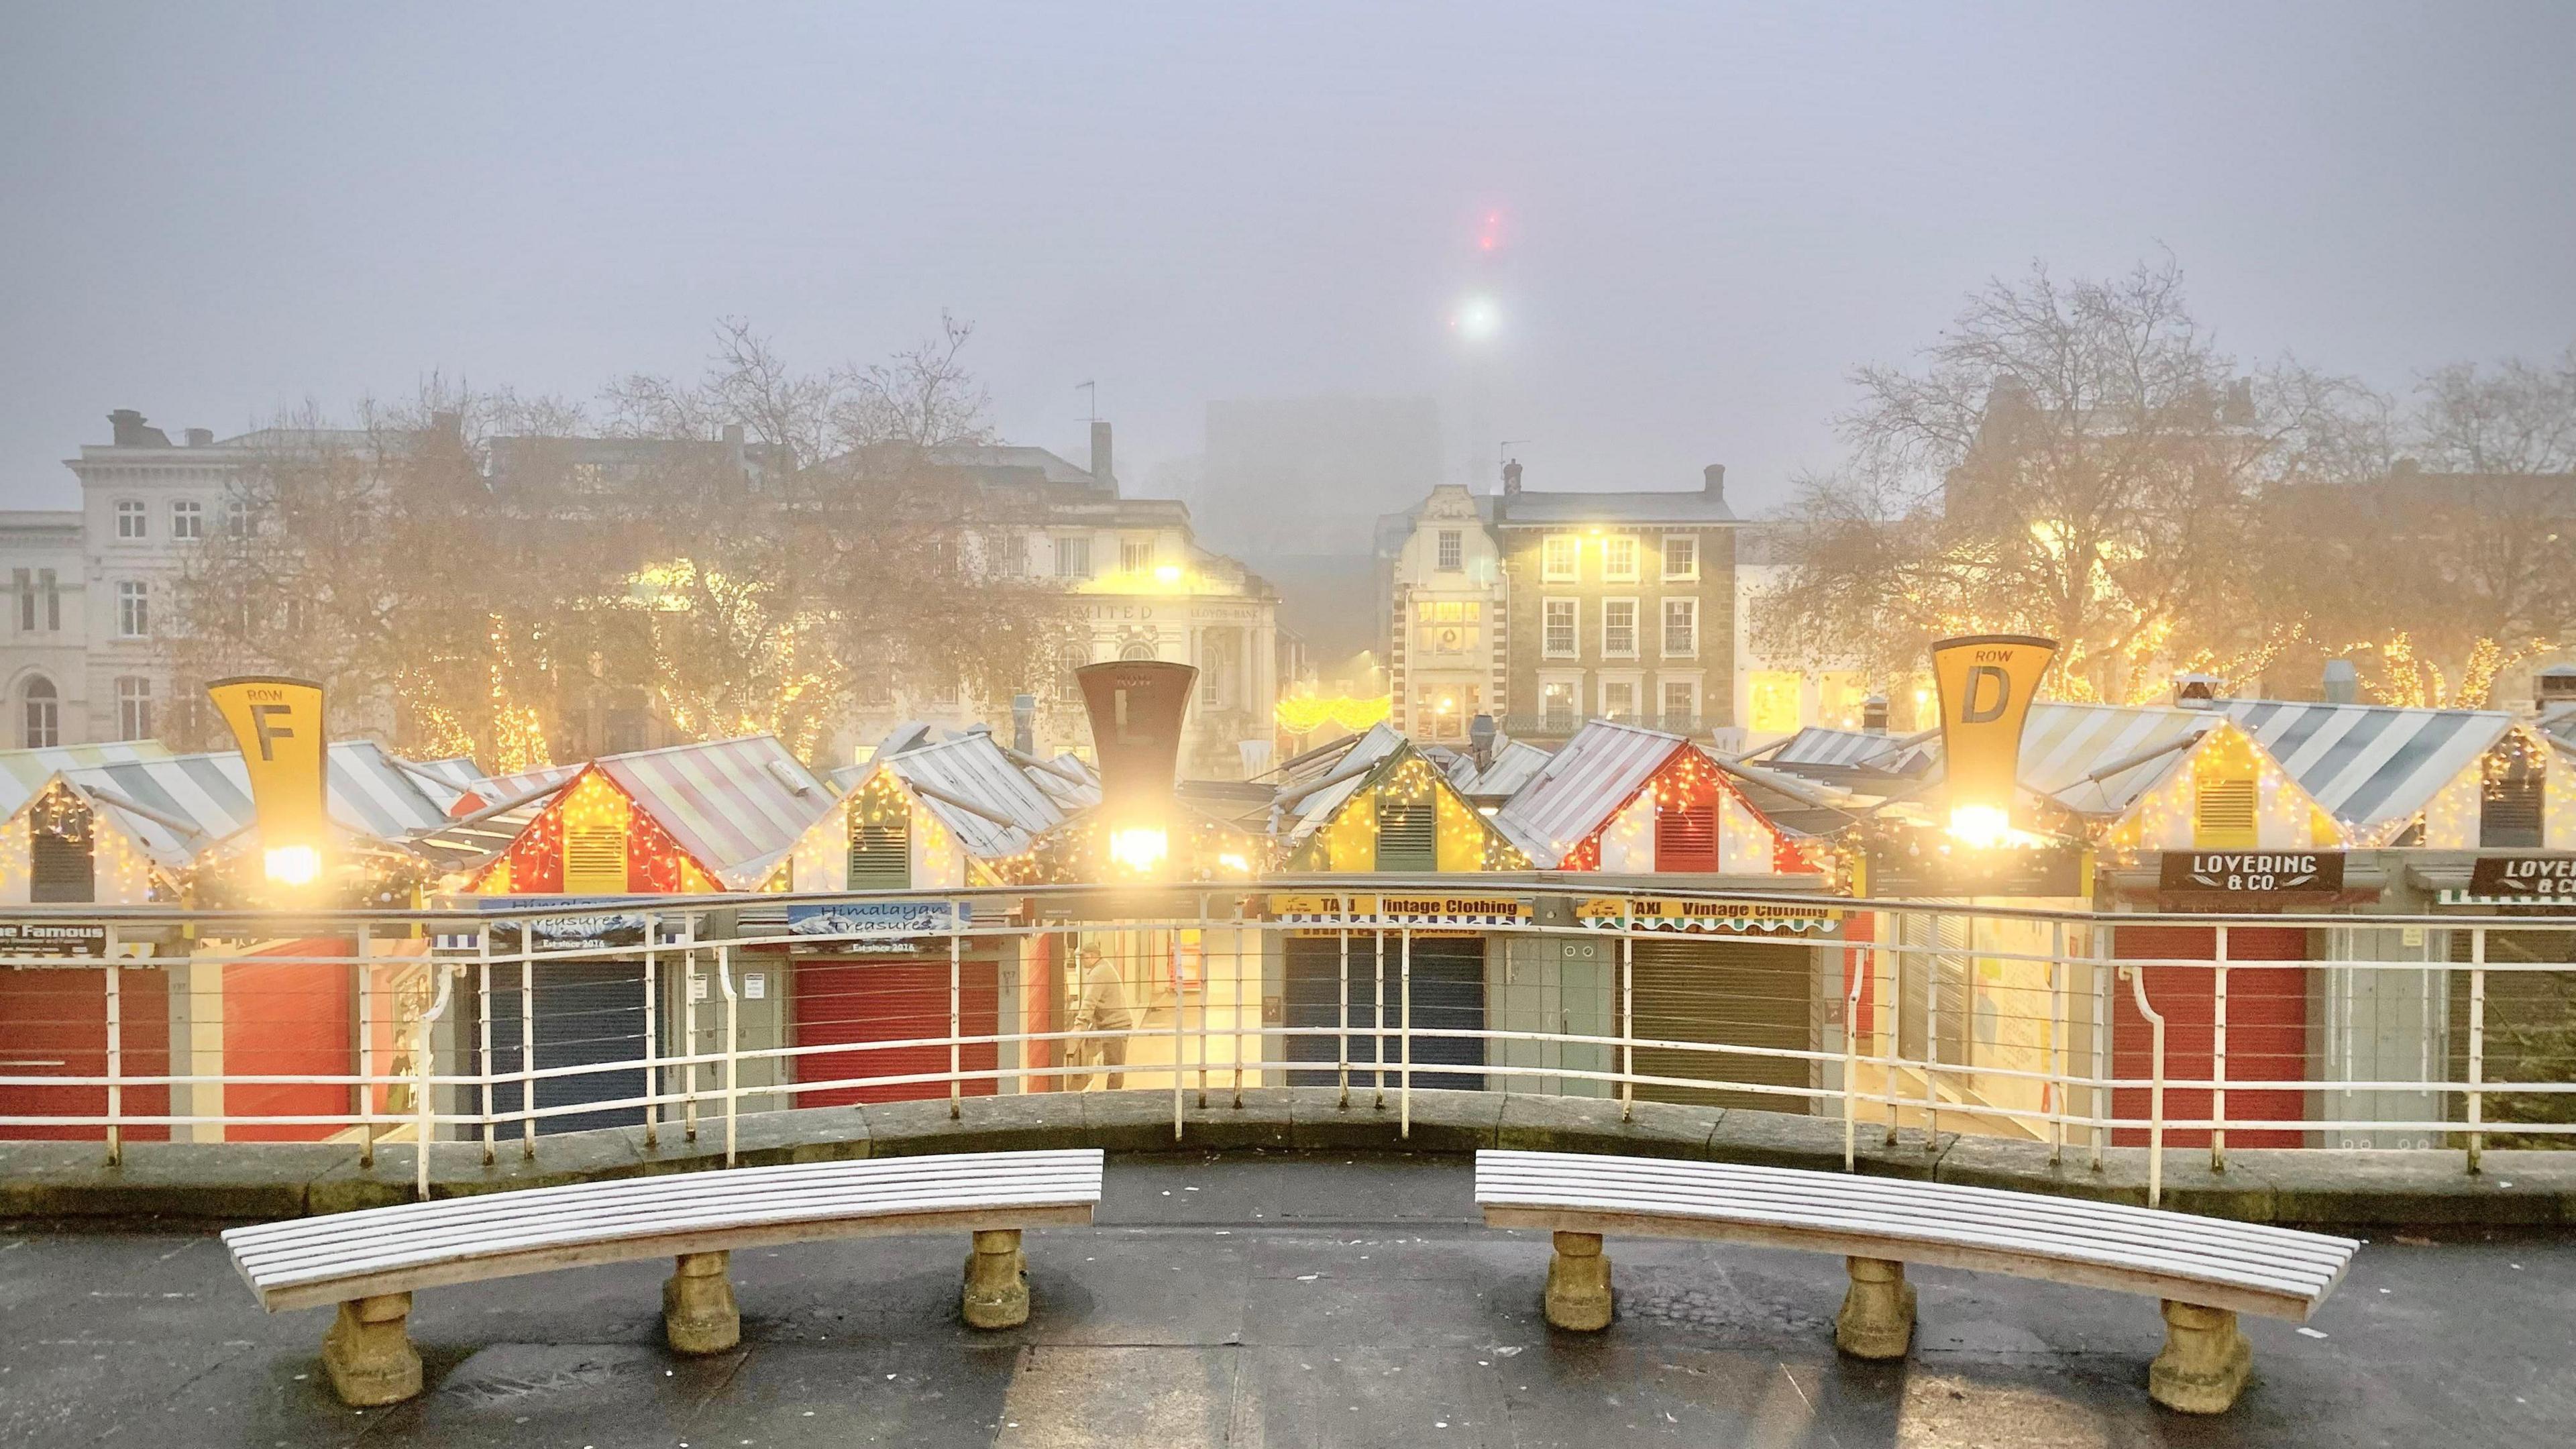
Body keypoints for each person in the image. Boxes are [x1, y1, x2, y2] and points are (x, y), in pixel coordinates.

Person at [1069, 945, 1134, 1090]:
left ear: (1091, 956)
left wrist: (1080, 1024)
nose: (1081, 961)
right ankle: (1112, 1094)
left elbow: (1090, 1000)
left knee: (1115, 1066)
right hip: (1112, 1024)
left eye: (1082, 957)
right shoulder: (1104, 968)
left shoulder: (1098, 973)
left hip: (1115, 1025)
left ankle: (1113, 1098)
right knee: (1113, 1064)